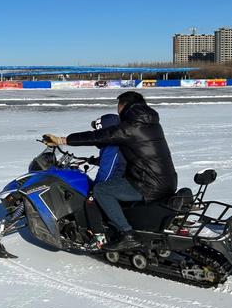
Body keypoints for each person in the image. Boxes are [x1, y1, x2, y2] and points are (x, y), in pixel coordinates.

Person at [43, 91, 177, 251]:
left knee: (101, 190)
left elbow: (100, 136)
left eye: (118, 106)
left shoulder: (132, 127)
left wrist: (62, 140)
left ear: (124, 105)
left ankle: (127, 233)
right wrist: (93, 160)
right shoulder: (151, 124)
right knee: (114, 186)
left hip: (148, 185)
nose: (118, 110)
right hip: (166, 181)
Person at [84, 113, 126, 250]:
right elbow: (117, 162)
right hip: (127, 179)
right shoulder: (121, 142)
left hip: (119, 182)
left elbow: (106, 173)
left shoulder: (111, 146)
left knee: (91, 199)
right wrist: (94, 161)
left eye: (99, 131)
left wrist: (94, 188)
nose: (97, 134)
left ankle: (99, 238)